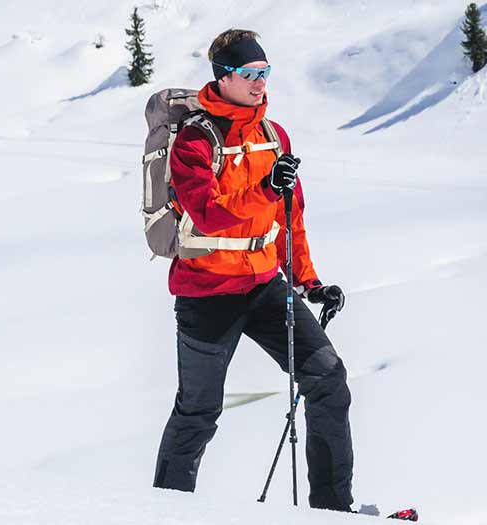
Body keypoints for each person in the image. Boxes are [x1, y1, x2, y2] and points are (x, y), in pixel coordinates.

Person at [151, 28, 354, 512]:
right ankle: (162, 513)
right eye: (249, 73)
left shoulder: (273, 136)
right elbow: (208, 212)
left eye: (265, 72)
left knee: (329, 380)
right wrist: (265, 189)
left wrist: (308, 281)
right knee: (198, 412)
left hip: (265, 285)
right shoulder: (195, 140)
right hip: (206, 292)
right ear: (223, 77)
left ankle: (333, 511)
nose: (261, 82)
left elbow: (290, 217)